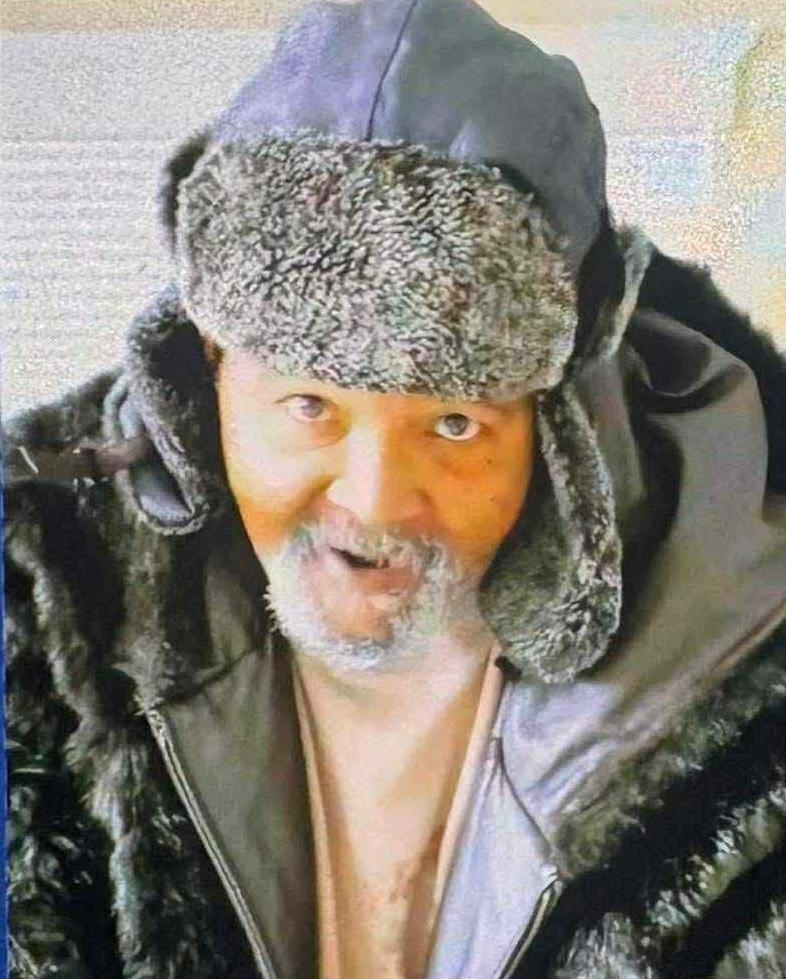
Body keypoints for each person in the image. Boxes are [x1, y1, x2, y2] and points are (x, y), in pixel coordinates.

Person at [4, 0, 786, 977]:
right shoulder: (37, 609)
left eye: (454, 423)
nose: (375, 502)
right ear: (205, 375)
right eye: (310, 406)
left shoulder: (745, 672)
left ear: (555, 416)